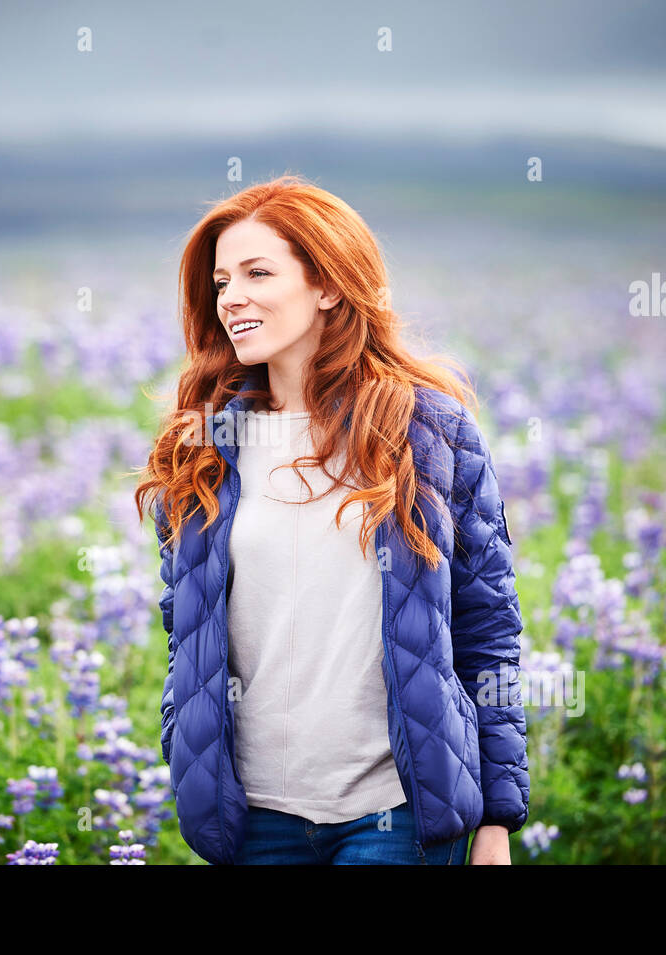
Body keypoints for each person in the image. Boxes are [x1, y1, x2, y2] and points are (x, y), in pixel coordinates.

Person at [133, 174, 528, 865]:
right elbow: (185, 635)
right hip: (253, 818)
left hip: (396, 812)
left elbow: (486, 629)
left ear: (327, 285)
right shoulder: (200, 447)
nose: (233, 297)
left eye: (259, 272)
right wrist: (184, 743)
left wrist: (496, 816)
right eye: (222, 281)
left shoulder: (429, 431)